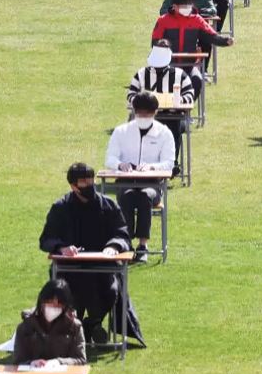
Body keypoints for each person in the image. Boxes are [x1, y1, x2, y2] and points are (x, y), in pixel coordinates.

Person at [38, 162, 143, 346]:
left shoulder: (108, 206)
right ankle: (74, 329)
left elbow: (122, 234)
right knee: (66, 293)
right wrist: (62, 248)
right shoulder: (60, 208)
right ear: (73, 186)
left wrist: (114, 246)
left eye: (90, 180)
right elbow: (46, 239)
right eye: (84, 182)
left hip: (103, 269)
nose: (89, 185)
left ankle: (91, 324)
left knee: (111, 292)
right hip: (70, 270)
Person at [105, 92, 175, 264]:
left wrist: (152, 167)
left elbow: (169, 163)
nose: (143, 117)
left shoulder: (164, 133)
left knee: (144, 196)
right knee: (127, 197)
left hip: (152, 183)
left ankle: (143, 246)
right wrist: (121, 165)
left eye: (148, 114)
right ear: (134, 112)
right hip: (126, 181)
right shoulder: (121, 131)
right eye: (140, 114)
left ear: (155, 112)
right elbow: (110, 158)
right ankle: (125, 243)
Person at [127, 43, 195, 177]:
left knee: (173, 126)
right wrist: (143, 100)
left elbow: (190, 95)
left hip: (173, 116)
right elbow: (130, 95)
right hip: (147, 117)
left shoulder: (180, 75)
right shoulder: (141, 74)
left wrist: (179, 100)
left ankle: (171, 163)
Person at [151, 0, 234, 89]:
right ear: (175, 6)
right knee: (166, 84)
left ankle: (187, 102)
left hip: (189, 65)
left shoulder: (197, 20)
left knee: (197, 81)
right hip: (168, 64)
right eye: (183, 6)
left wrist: (225, 41)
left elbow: (210, 36)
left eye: (188, 6)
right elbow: (155, 42)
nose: (186, 9)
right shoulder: (163, 21)